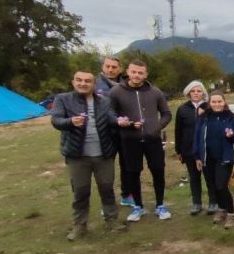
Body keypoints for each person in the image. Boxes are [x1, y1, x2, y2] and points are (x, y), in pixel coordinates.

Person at [51, 70, 125, 240]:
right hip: (77, 156)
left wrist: (118, 121)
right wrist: (70, 122)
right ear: (73, 82)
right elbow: (56, 120)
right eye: (79, 80)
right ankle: (79, 226)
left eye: (87, 81)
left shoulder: (105, 101)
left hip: (103, 154)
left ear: (94, 84)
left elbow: (111, 117)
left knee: (107, 189)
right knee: (80, 192)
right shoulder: (63, 99)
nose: (83, 83)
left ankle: (112, 220)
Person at [108, 59, 173, 221]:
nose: (136, 75)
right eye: (134, 72)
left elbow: (167, 114)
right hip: (129, 139)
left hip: (153, 140)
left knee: (158, 170)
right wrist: (118, 121)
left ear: (146, 74)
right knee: (132, 173)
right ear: (128, 72)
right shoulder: (116, 91)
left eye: (140, 72)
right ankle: (138, 206)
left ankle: (160, 205)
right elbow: (109, 113)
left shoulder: (155, 92)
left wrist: (156, 127)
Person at [193, 91, 234, 228]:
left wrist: (232, 135)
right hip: (207, 158)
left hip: (225, 157)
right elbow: (197, 138)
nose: (217, 104)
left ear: (224, 102)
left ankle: (231, 214)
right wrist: (197, 156)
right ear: (209, 103)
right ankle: (222, 209)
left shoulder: (231, 118)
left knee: (222, 186)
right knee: (213, 186)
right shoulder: (203, 118)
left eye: (219, 101)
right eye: (214, 102)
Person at [94, 56, 134, 207]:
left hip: (125, 131)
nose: (110, 69)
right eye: (107, 66)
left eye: (114, 67)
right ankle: (108, 202)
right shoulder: (95, 84)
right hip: (105, 132)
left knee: (127, 165)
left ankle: (127, 195)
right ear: (102, 67)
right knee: (106, 168)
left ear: (120, 69)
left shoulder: (127, 83)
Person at [174, 81, 218, 215]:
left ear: (203, 93)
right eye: (193, 91)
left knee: (209, 176)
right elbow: (178, 131)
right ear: (188, 93)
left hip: (205, 149)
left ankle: (213, 202)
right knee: (194, 177)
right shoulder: (182, 109)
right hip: (188, 149)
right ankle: (197, 203)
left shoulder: (209, 107)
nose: (196, 93)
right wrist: (178, 150)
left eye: (199, 91)